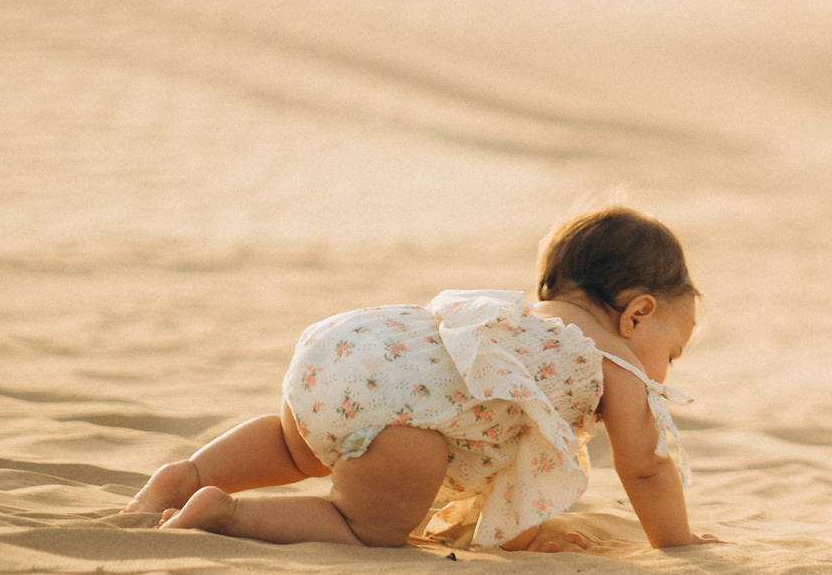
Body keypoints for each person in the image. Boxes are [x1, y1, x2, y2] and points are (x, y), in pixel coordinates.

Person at [129, 203, 713, 553]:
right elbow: (644, 466)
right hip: (405, 414)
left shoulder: (516, 322)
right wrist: (677, 543)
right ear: (638, 314)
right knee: (367, 526)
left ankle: (186, 474)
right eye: (673, 351)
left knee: (293, 446)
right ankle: (226, 516)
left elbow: (511, 450)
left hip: (351, 349)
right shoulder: (611, 359)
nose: (665, 369)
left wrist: (518, 532)